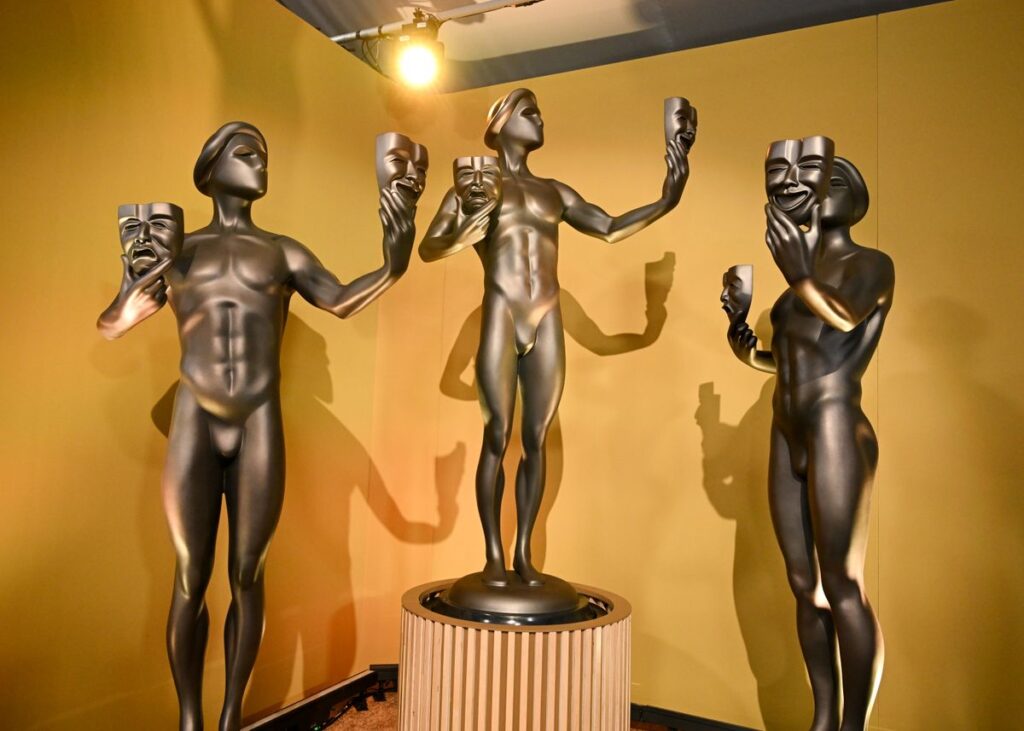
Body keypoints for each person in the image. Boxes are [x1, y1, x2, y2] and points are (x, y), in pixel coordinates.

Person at [97, 121, 423, 731]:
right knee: (190, 576)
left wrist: (394, 263)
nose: (260, 165)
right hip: (197, 415)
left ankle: (229, 718)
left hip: (258, 420)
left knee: (247, 572)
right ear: (212, 168)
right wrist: (130, 293)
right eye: (247, 153)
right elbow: (111, 325)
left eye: (264, 156)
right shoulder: (176, 249)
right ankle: (190, 720)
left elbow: (342, 299)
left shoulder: (283, 251)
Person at [420, 89, 692, 588]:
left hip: (545, 315)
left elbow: (608, 227)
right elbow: (429, 247)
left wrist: (666, 198)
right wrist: (468, 227)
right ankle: (493, 556)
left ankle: (523, 552)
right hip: (502, 311)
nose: (540, 119)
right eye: (529, 112)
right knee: (496, 437)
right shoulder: (475, 184)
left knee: (535, 440)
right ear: (499, 125)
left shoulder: (554, 192)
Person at [726, 152, 894, 731]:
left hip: (835, 427)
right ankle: (823, 715)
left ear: (856, 200)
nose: (817, 190)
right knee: (805, 586)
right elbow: (785, 360)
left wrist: (799, 273)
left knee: (843, 584)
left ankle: (853, 726)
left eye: (835, 180)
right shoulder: (791, 293)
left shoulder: (871, 264)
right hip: (786, 428)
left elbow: (845, 320)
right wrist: (742, 337)